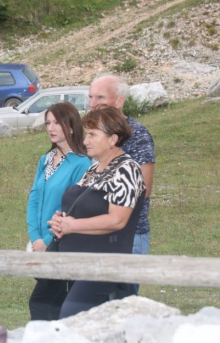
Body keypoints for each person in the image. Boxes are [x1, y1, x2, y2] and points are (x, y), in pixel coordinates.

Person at [48, 106, 146, 319]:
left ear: (113, 139)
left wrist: (73, 226)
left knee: (71, 314)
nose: (85, 141)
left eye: (92, 134)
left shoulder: (127, 170)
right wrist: (61, 220)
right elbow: (81, 207)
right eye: (86, 134)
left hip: (103, 264)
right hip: (78, 263)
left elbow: (117, 220)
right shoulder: (95, 169)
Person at [88, 74, 155, 295]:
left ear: (119, 101)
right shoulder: (92, 135)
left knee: (119, 307)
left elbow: (143, 189)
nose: (93, 103)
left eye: (100, 96)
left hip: (128, 235)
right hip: (95, 233)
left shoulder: (138, 135)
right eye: (90, 97)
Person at [27, 101, 91, 321]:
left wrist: (46, 241)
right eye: (48, 123)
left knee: (41, 303)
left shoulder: (81, 164)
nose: (50, 128)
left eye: (57, 123)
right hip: (42, 243)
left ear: (71, 126)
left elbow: (73, 209)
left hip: (62, 244)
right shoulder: (45, 160)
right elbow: (34, 199)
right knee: (54, 304)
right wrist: (35, 238)